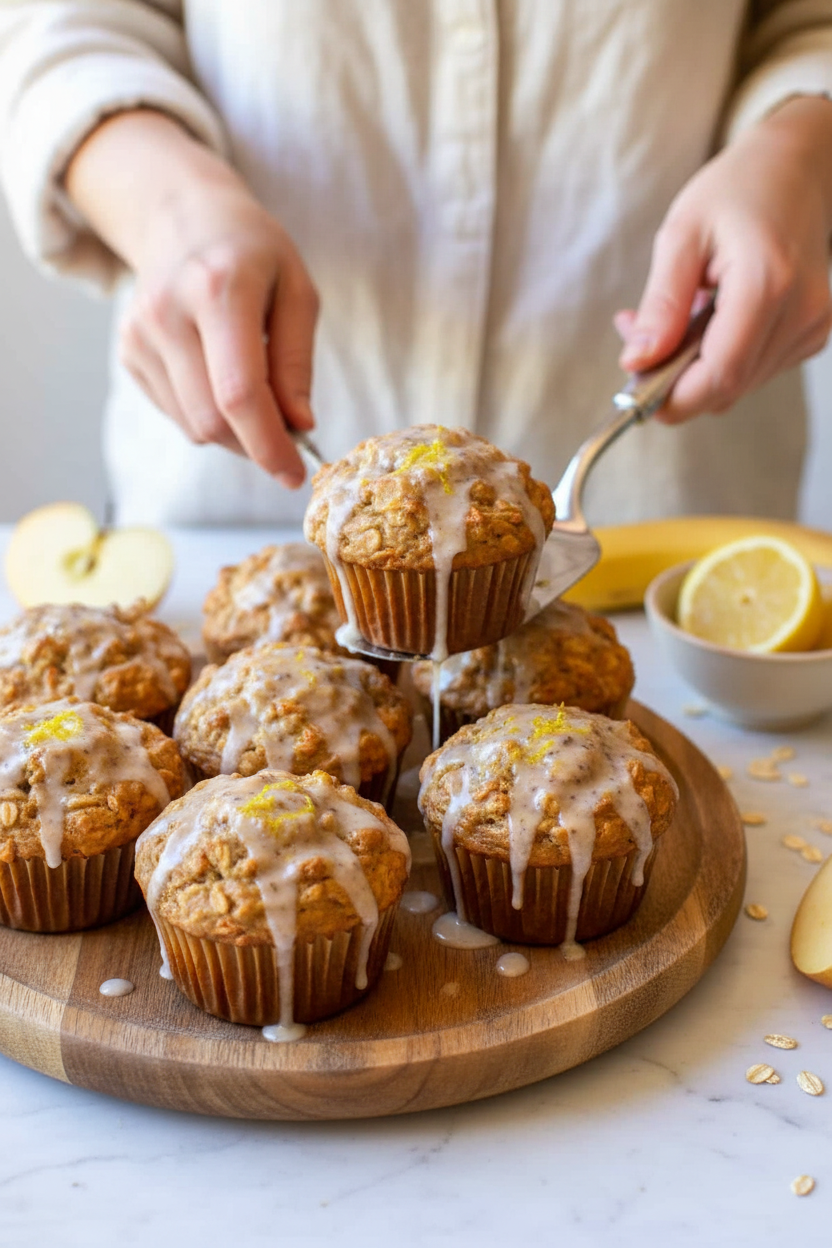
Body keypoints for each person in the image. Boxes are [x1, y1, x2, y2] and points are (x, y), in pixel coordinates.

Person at [1, 2, 832, 529]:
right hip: (233, 503)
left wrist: (801, 148)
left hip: (668, 522)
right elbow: (61, 23)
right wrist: (169, 209)